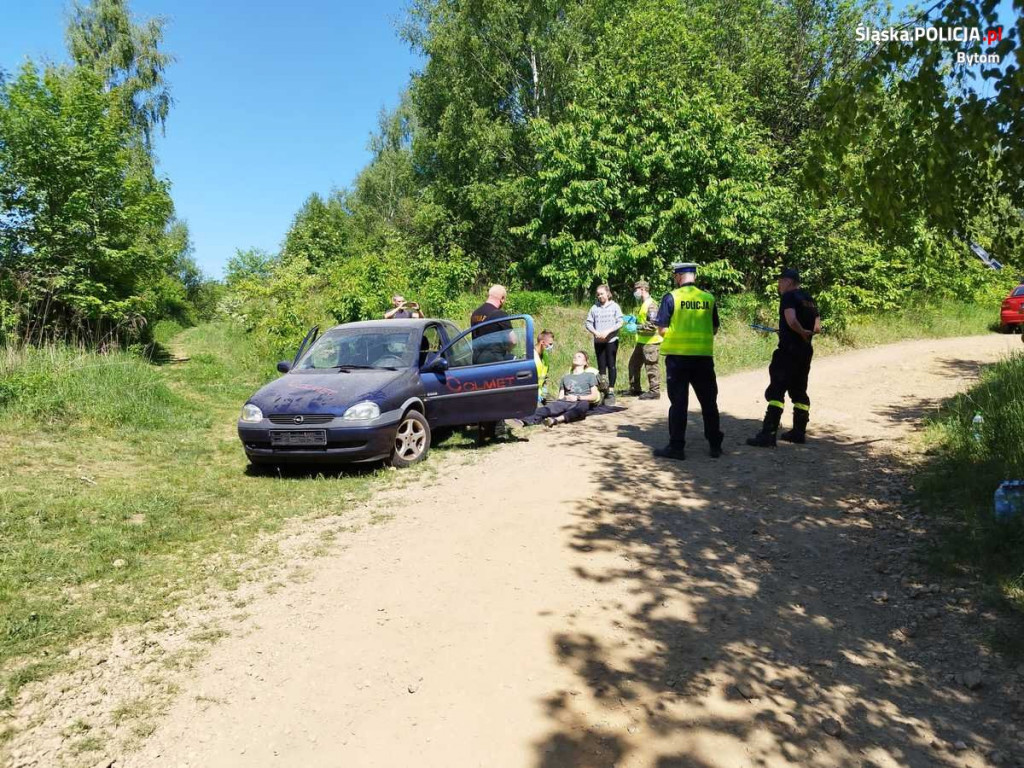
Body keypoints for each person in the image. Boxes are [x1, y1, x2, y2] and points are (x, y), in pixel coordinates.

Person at [653, 262, 724, 460]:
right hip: (703, 358)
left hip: (678, 359)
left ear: (678, 276)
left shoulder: (671, 297)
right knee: (709, 402)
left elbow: (662, 329)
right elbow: (715, 328)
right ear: (694, 276)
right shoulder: (708, 298)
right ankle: (715, 445)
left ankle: (676, 448)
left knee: (679, 403)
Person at [747, 268, 821, 447]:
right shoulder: (809, 299)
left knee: (776, 391)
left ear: (788, 282)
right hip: (805, 351)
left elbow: (791, 320)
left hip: (788, 351)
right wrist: (806, 334)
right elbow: (818, 327)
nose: (778, 285)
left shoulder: (788, 297)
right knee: (799, 390)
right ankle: (798, 432)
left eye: (780, 281)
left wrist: (799, 331)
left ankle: (768, 434)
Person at [510, 351, 601, 428]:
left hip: (580, 401)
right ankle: (522, 421)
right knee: (545, 409)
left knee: (582, 407)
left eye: (579, 356)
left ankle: (556, 420)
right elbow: (560, 396)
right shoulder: (566, 378)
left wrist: (577, 397)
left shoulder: (590, 376)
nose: (575, 357)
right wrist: (563, 399)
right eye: (575, 356)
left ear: (585, 362)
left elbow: (594, 396)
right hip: (565, 401)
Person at [585, 285, 624, 405]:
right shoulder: (594, 308)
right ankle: (603, 389)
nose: (600, 296)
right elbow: (588, 323)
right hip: (599, 341)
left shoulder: (615, 306)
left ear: (607, 293)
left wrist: (609, 331)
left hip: (611, 340)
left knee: (611, 364)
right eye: (598, 294)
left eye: (602, 293)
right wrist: (595, 332)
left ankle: (611, 390)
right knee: (601, 366)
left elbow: (620, 321)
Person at [627, 279, 662, 400]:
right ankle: (635, 389)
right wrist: (634, 320)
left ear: (642, 289)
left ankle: (654, 391)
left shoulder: (651, 304)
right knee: (633, 364)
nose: (634, 292)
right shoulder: (643, 304)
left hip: (651, 342)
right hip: (642, 341)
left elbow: (652, 325)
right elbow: (644, 320)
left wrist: (636, 327)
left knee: (651, 366)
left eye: (636, 289)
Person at [470, 285, 514, 364]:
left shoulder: (475, 314)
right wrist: (509, 350)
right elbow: (512, 340)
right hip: (494, 362)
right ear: (502, 299)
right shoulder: (500, 314)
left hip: (476, 361)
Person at [535, 330, 555, 403]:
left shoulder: (545, 356)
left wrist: (544, 390)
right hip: (531, 393)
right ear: (542, 342)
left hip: (542, 391)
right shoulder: (530, 357)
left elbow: (544, 376)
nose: (551, 346)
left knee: (556, 406)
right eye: (550, 344)